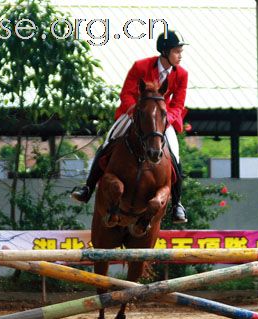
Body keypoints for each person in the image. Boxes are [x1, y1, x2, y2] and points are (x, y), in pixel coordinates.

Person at [72, 30, 189, 224]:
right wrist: (136, 111)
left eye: (180, 51)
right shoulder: (141, 66)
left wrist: (167, 118)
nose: (180, 55)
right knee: (109, 141)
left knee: (175, 156)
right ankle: (87, 188)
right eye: (177, 51)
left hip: (162, 119)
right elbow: (126, 93)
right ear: (166, 51)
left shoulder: (181, 74)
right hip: (135, 113)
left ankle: (177, 203)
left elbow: (178, 104)